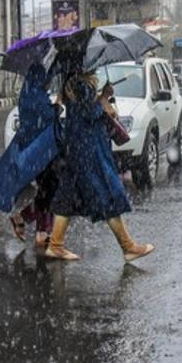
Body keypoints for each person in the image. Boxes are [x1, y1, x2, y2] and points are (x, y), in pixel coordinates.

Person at [47, 64, 154, 262]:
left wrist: (100, 98)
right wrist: (103, 98)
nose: (95, 68)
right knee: (109, 193)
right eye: (92, 65)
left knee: (68, 196)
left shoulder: (72, 84)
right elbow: (90, 114)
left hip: (78, 148)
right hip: (89, 150)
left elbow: (82, 112)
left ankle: (55, 244)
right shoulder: (81, 86)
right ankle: (128, 247)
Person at [9, 65, 60, 247]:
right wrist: (57, 106)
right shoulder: (36, 97)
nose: (49, 83)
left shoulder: (29, 95)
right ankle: (40, 230)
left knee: (47, 190)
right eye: (47, 79)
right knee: (50, 189)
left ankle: (31, 223)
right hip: (40, 151)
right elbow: (46, 117)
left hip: (37, 149)